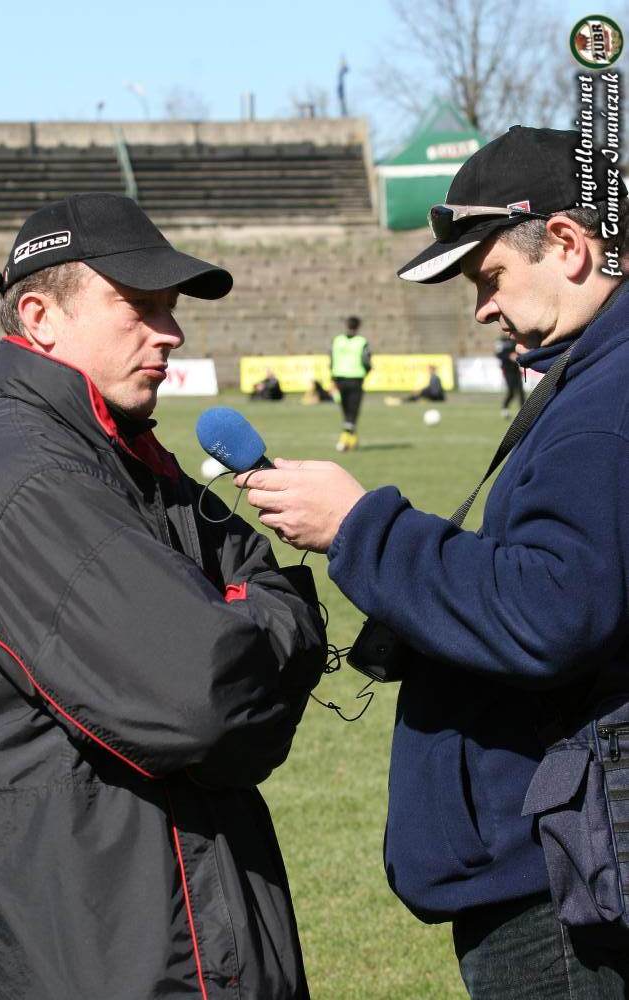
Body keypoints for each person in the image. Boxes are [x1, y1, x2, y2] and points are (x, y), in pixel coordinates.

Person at [234, 127, 629, 998]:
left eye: (489, 277)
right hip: (562, 852)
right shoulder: (591, 375)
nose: (481, 309)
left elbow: (552, 611)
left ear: (568, 245)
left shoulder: (608, 395)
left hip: (560, 879)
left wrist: (358, 528)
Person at [0, 193, 327, 1000]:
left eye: (172, 308)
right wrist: (261, 631)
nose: (171, 333)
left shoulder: (126, 457)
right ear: (40, 317)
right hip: (109, 949)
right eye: (140, 306)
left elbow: (265, 584)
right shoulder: (32, 480)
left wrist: (252, 625)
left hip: (182, 917)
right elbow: (206, 701)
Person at [330, 315, 371, 451]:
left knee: (346, 410)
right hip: (355, 379)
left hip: (340, 379)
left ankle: (352, 441)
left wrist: (333, 377)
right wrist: (367, 371)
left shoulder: (337, 340)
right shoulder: (361, 341)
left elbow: (331, 359)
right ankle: (343, 441)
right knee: (352, 412)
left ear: (347, 325)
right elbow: (366, 360)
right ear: (358, 326)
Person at [495, 333, 525, 416]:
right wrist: (509, 356)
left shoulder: (516, 339)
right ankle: (505, 407)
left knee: (520, 391)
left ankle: (523, 412)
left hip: (516, 370)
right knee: (511, 391)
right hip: (508, 370)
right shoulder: (502, 341)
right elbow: (498, 354)